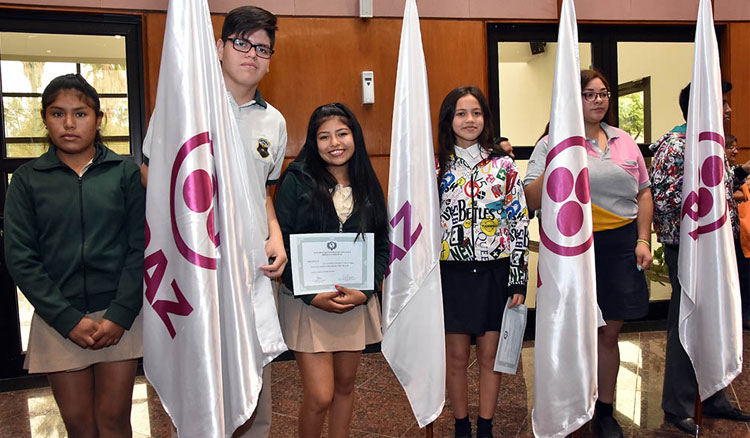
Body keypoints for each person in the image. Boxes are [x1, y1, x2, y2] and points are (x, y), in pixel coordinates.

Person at [140, 6, 287, 437]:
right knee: (200, 382)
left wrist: (274, 234)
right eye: (241, 43)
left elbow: (263, 194)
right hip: (197, 269)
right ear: (219, 47)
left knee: (254, 390)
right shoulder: (186, 108)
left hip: (250, 273)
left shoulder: (273, 121)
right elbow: (155, 177)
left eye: (262, 48)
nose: (251, 54)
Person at [4, 73, 145, 437]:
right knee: (80, 425)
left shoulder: (123, 172)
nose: (69, 124)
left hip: (117, 316)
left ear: (99, 120)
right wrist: (65, 317)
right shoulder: (28, 179)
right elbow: (21, 256)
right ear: (45, 119)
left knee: (114, 421)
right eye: (57, 114)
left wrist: (120, 313)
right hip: (59, 319)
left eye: (80, 114)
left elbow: (140, 246)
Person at [524, 70, 653, 438]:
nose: (598, 100)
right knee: (572, 332)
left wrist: (643, 240)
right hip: (573, 251)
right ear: (573, 100)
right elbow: (531, 199)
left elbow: (643, 192)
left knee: (608, 335)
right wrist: (558, 158)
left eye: (603, 93)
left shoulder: (625, 141)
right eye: (589, 94)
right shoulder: (551, 143)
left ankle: (606, 410)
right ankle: (570, 404)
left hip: (619, 245)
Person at [274, 103, 388, 438]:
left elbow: (381, 245)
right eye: (324, 136)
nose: (334, 142)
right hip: (308, 302)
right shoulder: (295, 180)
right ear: (313, 141)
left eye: (342, 133)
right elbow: (280, 243)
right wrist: (311, 293)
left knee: (346, 387)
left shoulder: (367, 182)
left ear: (355, 136)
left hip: (353, 300)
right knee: (320, 394)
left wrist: (366, 290)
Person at [650, 82, 750, 435]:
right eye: (721, 103)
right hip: (689, 250)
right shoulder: (675, 147)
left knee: (716, 319)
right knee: (685, 323)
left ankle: (713, 394)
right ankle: (677, 405)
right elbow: (663, 203)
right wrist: (695, 240)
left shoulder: (713, 144)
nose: (727, 110)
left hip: (719, 249)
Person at [436, 86, 529, 438]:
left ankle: (486, 425)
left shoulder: (504, 166)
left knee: (492, 356)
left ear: (485, 119)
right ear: (449, 120)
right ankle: (461, 424)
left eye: (476, 113)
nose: (469, 120)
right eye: (461, 113)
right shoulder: (436, 166)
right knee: (457, 357)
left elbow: (519, 220)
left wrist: (518, 276)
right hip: (452, 274)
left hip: (495, 271)